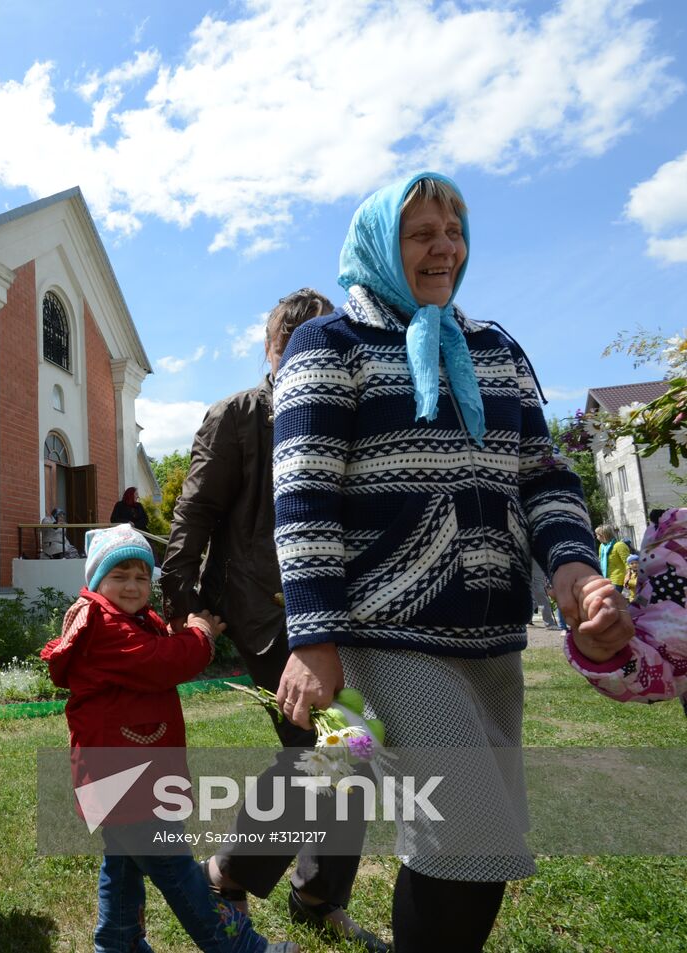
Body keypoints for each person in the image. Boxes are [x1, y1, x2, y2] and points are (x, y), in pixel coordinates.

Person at [270, 172, 632, 951]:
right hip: (384, 631)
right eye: (421, 232)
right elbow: (303, 495)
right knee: (464, 826)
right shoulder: (327, 344)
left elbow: (543, 472)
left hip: (489, 632)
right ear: (379, 247)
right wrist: (314, 635)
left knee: (486, 840)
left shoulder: (496, 346)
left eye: (455, 229)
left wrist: (573, 568)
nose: (445, 247)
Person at [161, 288, 386, 952]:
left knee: (347, 751)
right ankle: (231, 873)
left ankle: (315, 894)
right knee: (336, 746)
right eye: (295, 339)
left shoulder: (347, 413)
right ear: (272, 346)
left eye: (325, 338)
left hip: (339, 610)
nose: (310, 351)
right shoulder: (236, 415)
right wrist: (181, 606)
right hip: (265, 610)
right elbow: (194, 512)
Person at [40, 524, 296, 953]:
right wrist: (200, 635)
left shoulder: (129, 620)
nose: (133, 585)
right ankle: (238, 947)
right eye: (120, 575)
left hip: (117, 778)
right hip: (125, 778)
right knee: (177, 870)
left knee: (121, 865)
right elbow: (162, 662)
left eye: (142, 576)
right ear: (97, 580)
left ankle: (116, 943)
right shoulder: (104, 627)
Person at [568, 508, 687, 701]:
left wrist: (627, 574)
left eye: (599, 534)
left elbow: (627, 562)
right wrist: (606, 646)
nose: (597, 537)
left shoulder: (619, 546)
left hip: (618, 578)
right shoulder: (678, 539)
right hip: (612, 580)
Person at [595, 525, 632, 593]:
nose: (597, 538)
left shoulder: (619, 545)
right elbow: (600, 561)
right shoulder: (602, 546)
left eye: (598, 535)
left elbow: (629, 562)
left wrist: (628, 575)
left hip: (617, 580)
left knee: (611, 601)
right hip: (605, 578)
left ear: (604, 535)